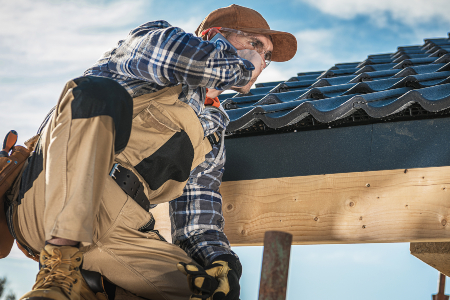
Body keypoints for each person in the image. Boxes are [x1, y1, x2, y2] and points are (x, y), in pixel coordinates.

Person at [6, 4, 296, 300]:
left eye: (267, 56)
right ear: (214, 36)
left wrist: (222, 262)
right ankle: (58, 270)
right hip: (50, 197)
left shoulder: (213, 134)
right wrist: (239, 65)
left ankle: (86, 285)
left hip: (124, 231)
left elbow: (197, 223)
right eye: (255, 44)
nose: (262, 59)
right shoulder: (154, 43)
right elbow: (179, 56)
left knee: (206, 291)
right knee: (93, 93)